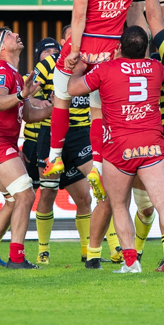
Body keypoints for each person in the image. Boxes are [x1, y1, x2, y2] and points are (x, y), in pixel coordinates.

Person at [41, 0, 159, 181]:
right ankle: (96, 165)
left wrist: (75, 50)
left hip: (84, 46)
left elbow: (78, 16)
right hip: (110, 52)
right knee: (96, 110)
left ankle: (54, 157)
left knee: (62, 97)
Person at [65, 24, 164, 275]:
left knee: (119, 205)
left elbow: (73, 90)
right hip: (152, 143)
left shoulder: (105, 69)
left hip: (120, 147)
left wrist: (79, 69)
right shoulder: (157, 69)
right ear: (146, 49)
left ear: (118, 48)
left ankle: (131, 262)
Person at [0, 27, 52, 267]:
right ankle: (17, 257)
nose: (17, 34)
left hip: (2, 144)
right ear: (1, 47)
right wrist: (22, 94)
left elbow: (28, 115)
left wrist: (56, 108)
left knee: (11, 202)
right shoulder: (0, 69)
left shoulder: (16, 75)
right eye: (9, 34)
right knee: (26, 195)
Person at [23, 34, 97, 265]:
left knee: (92, 189)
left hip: (80, 134)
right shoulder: (49, 63)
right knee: (48, 192)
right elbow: (27, 87)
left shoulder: (92, 61)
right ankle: (43, 251)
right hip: (51, 135)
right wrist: (36, 101)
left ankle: (91, 251)